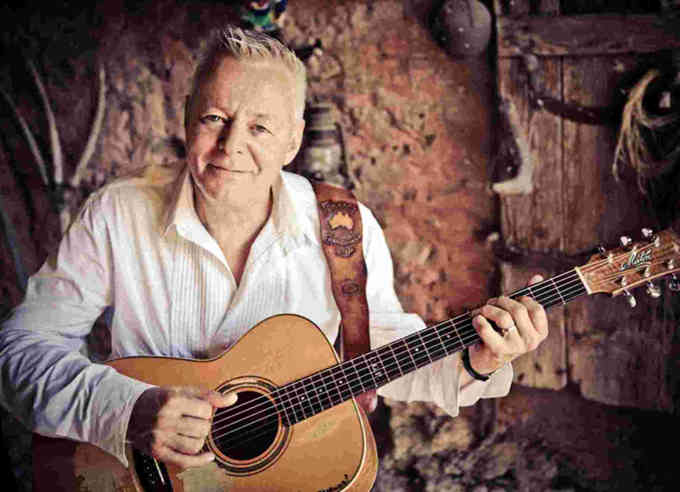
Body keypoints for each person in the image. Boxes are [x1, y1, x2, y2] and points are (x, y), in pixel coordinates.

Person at [0, 27, 548, 472]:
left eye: (260, 128)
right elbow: (18, 353)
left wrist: (475, 361)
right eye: (215, 118)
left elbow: (383, 353)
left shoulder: (344, 228)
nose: (231, 145)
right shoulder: (117, 214)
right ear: (187, 116)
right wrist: (126, 410)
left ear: (293, 141)